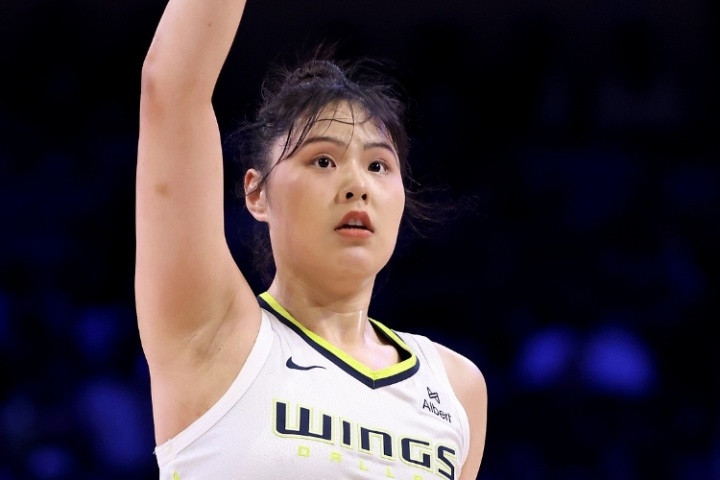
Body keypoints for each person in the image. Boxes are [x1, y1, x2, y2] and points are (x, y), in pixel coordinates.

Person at [135, 0, 487, 478]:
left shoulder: (456, 389)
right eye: (323, 160)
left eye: (378, 165)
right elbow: (171, 88)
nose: (358, 184)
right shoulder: (214, 334)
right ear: (257, 193)